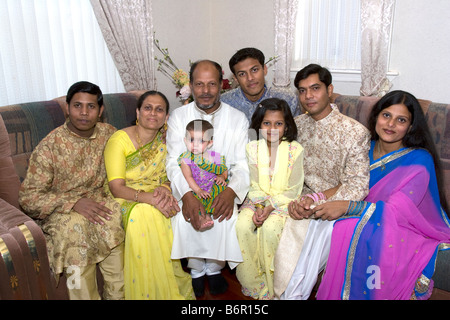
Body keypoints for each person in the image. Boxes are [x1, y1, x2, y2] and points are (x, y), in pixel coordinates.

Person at [313, 90, 450, 300]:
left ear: (411, 127)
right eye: (386, 115)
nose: (391, 124)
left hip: (404, 225)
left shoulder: (419, 159)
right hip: (367, 214)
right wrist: (314, 200)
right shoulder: (363, 147)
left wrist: (347, 207)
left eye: (401, 120)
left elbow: (399, 211)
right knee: (314, 223)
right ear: (376, 116)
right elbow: (343, 184)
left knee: (348, 227)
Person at [19, 81, 125, 300]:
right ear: (67, 107)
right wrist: (73, 202)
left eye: (91, 106)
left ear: (100, 110)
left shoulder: (110, 135)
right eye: (77, 106)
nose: (84, 113)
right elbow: (28, 198)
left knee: (114, 217)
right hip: (62, 213)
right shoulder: (50, 146)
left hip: (100, 203)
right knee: (75, 230)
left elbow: (133, 156)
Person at [273, 64, 371, 300]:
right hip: (301, 200)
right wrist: (295, 201)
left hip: (336, 206)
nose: (308, 96)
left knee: (311, 240)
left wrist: (317, 204)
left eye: (315, 88)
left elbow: (357, 184)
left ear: (330, 90)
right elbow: (285, 172)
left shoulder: (354, 131)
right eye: (303, 90)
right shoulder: (296, 126)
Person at [166, 60, 249, 297]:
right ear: (190, 85)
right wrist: (187, 194)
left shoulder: (237, 118)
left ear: (221, 86)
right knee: (185, 217)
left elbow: (242, 164)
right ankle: (195, 271)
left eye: (212, 84)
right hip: (189, 184)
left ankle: (213, 269)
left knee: (225, 216)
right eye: (199, 84)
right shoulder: (178, 117)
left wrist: (231, 191)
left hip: (223, 186)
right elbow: (173, 161)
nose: (205, 90)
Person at [103, 90, 194, 300]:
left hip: (156, 193)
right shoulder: (119, 140)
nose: (153, 113)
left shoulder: (167, 143)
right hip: (124, 197)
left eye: (159, 109)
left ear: (166, 117)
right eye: (148, 108)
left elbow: (170, 174)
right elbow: (116, 187)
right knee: (147, 214)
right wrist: (151, 198)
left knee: (167, 210)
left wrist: (165, 188)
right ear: (138, 111)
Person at [235, 98, 304, 300]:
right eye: (267, 123)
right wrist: (259, 207)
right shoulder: (252, 149)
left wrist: (270, 208)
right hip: (256, 200)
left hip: (282, 203)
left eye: (278, 124)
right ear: (258, 124)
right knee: (241, 225)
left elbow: (294, 189)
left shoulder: (295, 150)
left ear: (287, 126)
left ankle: (276, 286)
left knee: (270, 228)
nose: (272, 129)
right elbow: (253, 184)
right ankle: (254, 284)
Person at [221, 47, 300, 121]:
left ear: (264, 69)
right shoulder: (225, 103)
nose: (250, 78)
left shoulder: (287, 99)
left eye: (254, 70)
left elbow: (294, 133)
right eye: (242, 74)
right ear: (235, 78)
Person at [178, 119, 228, 231]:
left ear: (210, 143)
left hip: (212, 187)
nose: (195, 145)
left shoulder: (215, 157)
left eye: (201, 141)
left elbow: (223, 169)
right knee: (197, 201)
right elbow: (188, 177)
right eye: (191, 140)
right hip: (196, 188)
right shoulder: (186, 159)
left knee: (219, 192)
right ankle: (201, 217)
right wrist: (198, 191)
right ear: (185, 140)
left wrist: (222, 177)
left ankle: (209, 215)